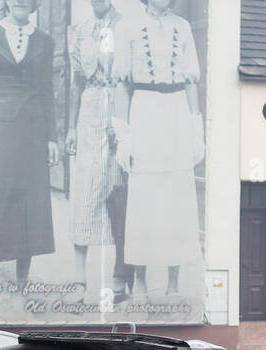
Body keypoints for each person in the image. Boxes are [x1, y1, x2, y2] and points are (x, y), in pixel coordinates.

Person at [0, 0, 58, 302]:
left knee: (31, 211)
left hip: (33, 134)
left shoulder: (45, 41)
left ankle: (22, 289)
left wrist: (51, 138)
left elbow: (47, 91)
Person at [115, 0, 203, 306]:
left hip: (176, 109)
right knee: (144, 196)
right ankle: (139, 280)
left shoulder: (183, 27)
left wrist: (196, 128)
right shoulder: (126, 26)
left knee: (176, 197)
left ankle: (173, 283)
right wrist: (123, 137)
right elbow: (121, 86)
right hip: (144, 109)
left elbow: (192, 83)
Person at [65, 0, 132, 305]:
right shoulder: (80, 31)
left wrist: (122, 125)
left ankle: (120, 277)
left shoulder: (125, 25)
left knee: (117, 193)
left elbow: (129, 79)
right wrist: (69, 128)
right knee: (85, 194)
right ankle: (79, 280)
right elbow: (75, 82)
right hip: (88, 113)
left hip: (119, 107)